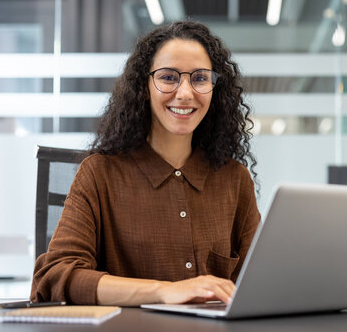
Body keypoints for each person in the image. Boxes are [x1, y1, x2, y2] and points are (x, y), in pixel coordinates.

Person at [30, 20, 260, 306]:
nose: (186, 93)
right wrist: (164, 291)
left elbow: (261, 282)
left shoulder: (233, 179)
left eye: (200, 78)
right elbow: (55, 276)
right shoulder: (99, 174)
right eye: (168, 77)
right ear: (144, 85)